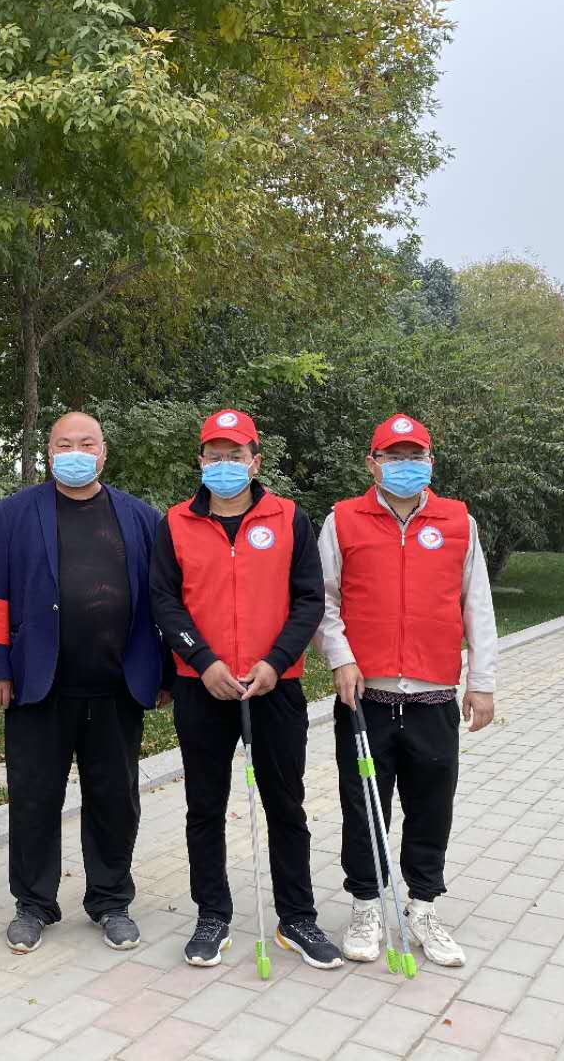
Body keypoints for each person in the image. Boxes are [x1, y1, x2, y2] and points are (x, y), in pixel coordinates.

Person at [150, 408, 343, 971]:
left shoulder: (289, 518)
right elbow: (165, 601)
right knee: (204, 806)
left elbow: (309, 599)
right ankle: (212, 914)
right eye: (215, 455)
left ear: (255, 461)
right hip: (201, 686)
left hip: (273, 686)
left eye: (235, 454)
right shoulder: (176, 522)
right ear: (200, 461)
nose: (225, 464)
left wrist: (276, 661)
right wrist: (201, 659)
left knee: (286, 804)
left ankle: (297, 917)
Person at [0, 411, 169, 954]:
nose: (75, 453)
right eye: (64, 444)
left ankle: (111, 900)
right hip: (38, 685)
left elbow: (161, 602)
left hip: (117, 685)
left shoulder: (141, 517)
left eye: (86, 444)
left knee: (115, 800)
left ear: (103, 453)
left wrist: (165, 673)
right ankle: (33, 903)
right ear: (48, 453)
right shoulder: (13, 514)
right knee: (34, 799)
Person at [315, 413, 498, 968]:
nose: (404, 466)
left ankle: (423, 906)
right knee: (363, 806)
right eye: (392, 458)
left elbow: (477, 604)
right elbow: (323, 601)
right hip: (364, 697)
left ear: (430, 462)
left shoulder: (458, 521)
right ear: (371, 464)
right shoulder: (342, 521)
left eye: (414, 457)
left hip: (433, 695)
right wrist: (341, 659)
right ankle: (366, 905)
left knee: (431, 806)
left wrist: (482, 683)